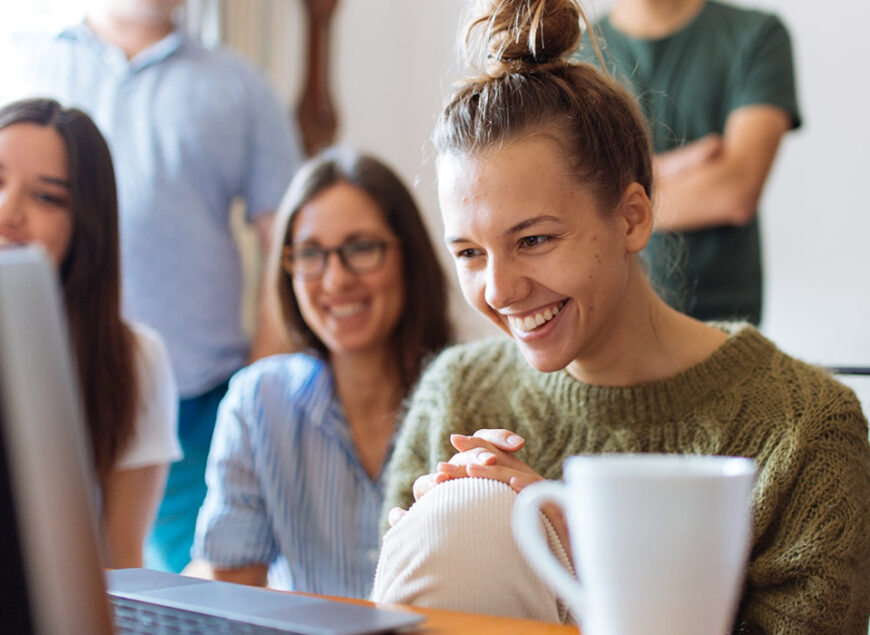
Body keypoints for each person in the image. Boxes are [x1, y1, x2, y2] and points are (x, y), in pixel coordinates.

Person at [372, 1, 870, 632]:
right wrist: (431, 543)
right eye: (470, 252)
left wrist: (595, 575)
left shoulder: (802, 433)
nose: (498, 290)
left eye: (534, 240)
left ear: (633, 217)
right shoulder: (457, 397)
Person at [0, 0, 304, 572]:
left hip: (192, 394)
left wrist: (252, 388)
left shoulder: (238, 86)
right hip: (38, 370)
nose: (12, 210)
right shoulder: (25, 59)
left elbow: (287, 244)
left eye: (46, 196)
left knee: (181, 588)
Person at [190, 148, 452, 598]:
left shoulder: (471, 395)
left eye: (361, 248)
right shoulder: (258, 403)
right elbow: (231, 595)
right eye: (311, 254)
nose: (334, 280)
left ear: (409, 257)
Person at [0, 97, 180, 568]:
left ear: (84, 227)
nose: (8, 212)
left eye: (46, 197)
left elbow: (120, 564)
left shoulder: (132, 359)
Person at [575, 0, 801, 324]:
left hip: (724, 322)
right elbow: (562, 196)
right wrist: (664, 170)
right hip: (607, 322)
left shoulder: (757, 35)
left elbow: (735, 191)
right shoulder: (573, 58)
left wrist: (612, 192)